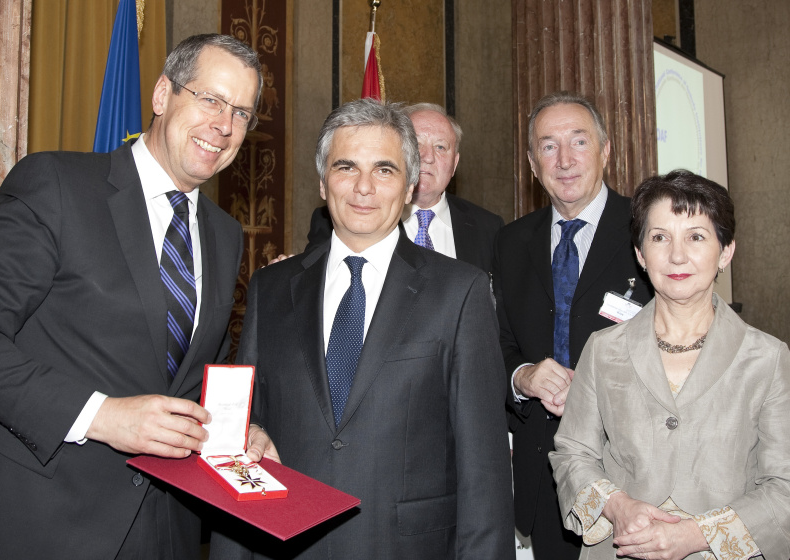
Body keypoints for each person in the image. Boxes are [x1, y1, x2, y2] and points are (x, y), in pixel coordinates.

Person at [0, 34, 261, 559]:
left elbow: (190, 368)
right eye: (209, 99)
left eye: (242, 113)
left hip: (167, 531)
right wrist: (102, 416)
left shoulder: (225, 235)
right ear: (162, 95)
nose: (224, 126)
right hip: (47, 524)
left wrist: (242, 428)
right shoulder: (57, 185)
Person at [209, 98, 515, 559]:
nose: (364, 187)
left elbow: (484, 471)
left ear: (410, 186)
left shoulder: (460, 292)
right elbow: (240, 431)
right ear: (322, 181)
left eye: (385, 170)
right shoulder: (271, 288)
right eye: (346, 166)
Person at [550, 169, 790, 559]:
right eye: (660, 237)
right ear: (641, 254)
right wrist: (617, 507)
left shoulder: (767, 358)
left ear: (725, 251)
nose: (677, 255)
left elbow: (784, 486)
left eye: (696, 236)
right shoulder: (603, 350)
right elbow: (572, 454)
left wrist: (698, 535)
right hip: (621, 548)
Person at [492, 91, 651, 559]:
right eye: (548, 146)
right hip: (544, 479)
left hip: (633, 474)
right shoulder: (510, 241)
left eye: (578, 142)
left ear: (606, 150)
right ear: (531, 162)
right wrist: (523, 376)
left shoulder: (647, 229)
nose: (564, 159)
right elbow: (496, 343)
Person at [303, 102, 504, 274]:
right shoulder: (346, 216)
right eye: (417, 144)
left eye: (440, 147)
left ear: (455, 163)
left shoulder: (488, 228)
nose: (427, 157)